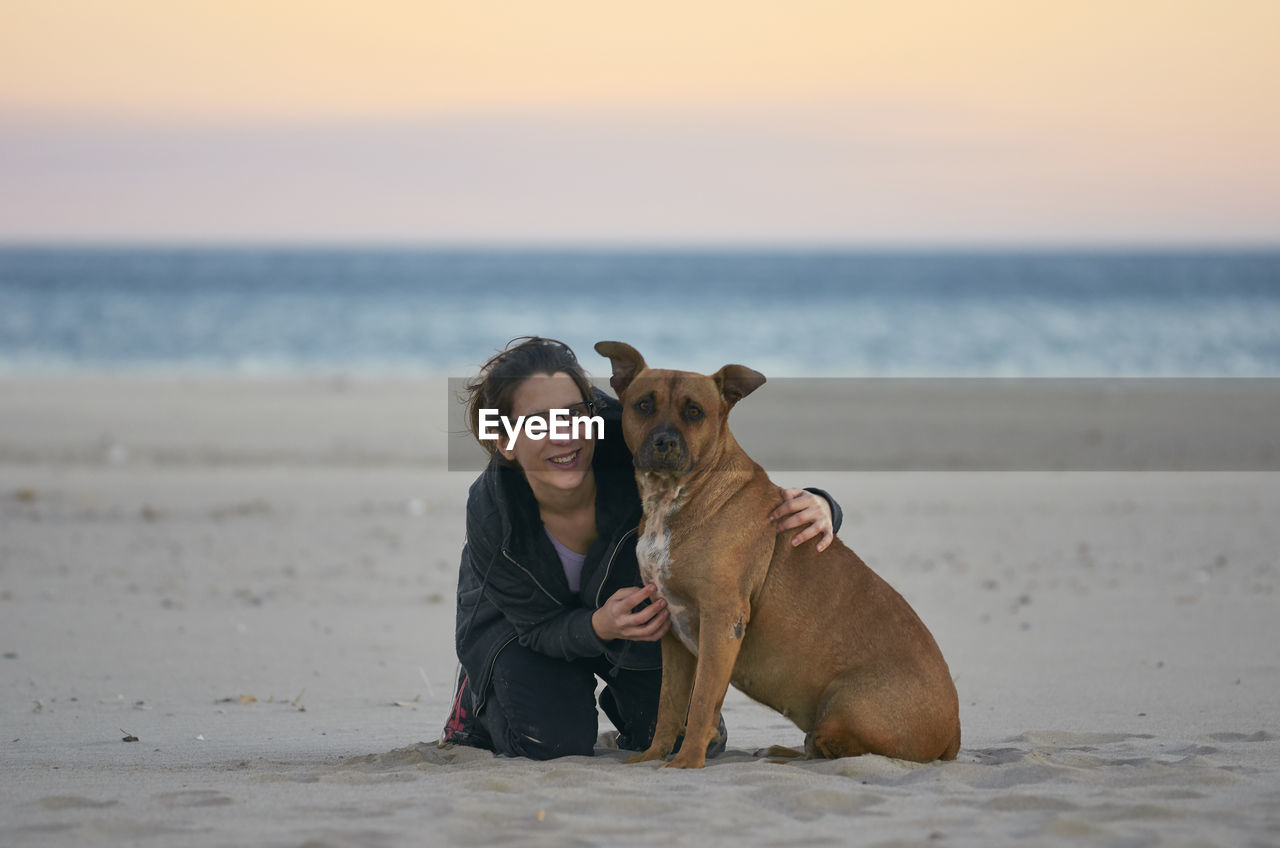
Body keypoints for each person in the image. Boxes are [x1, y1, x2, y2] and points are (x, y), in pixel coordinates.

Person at [442, 337, 843, 760]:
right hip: (527, 630)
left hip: (631, 629)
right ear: (505, 440)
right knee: (551, 744)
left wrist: (819, 505)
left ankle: (620, 696)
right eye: (538, 423)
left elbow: (735, 493)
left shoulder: (641, 436)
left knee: (690, 738)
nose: (564, 435)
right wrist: (595, 625)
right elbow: (538, 627)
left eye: (575, 415)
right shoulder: (493, 513)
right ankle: (475, 698)